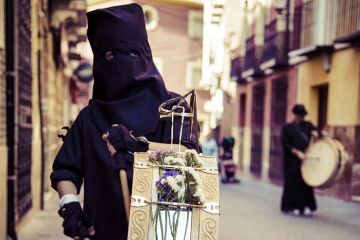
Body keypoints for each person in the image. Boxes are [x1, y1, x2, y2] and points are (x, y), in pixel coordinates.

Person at [50, 4, 199, 240]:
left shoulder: (173, 108)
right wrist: (70, 208)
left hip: (162, 231)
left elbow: (189, 159)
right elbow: (66, 170)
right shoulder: (89, 118)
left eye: (132, 53)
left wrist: (139, 146)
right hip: (102, 233)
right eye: (109, 55)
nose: (121, 63)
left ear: (145, 55)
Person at [281, 104, 318, 216]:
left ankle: (307, 205)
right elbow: (285, 143)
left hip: (306, 159)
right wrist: (297, 153)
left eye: (302, 115)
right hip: (292, 160)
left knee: (306, 182)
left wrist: (315, 134)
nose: (301, 117)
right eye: (299, 115)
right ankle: (292, 206)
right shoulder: (287, 128)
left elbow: (316, 134)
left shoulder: (309, 125)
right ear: (295, 115)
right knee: (293, 182)